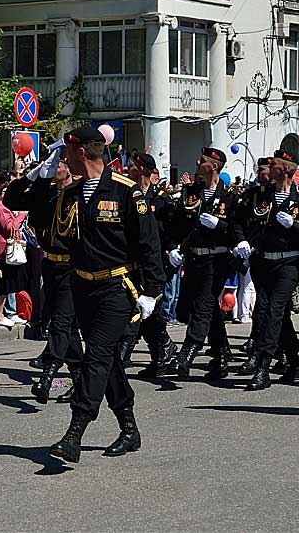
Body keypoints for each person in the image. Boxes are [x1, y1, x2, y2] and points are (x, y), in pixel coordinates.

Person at [23, 126, 164, 464]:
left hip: (117, 287)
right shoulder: (70, 194)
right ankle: (129, 428)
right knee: (109, 359)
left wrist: (152, 292)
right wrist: (40, 177)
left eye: (66, 153)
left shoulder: (125, 192)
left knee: (97, 356)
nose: (62, 158)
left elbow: (149, 245)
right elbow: (28, 209)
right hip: (83, 286)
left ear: (81, 153)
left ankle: (75, 431)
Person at [4, 145, 85, 404]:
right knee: (69, 329)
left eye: (57, 165)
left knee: (60, 323)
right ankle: (80, 381)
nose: (52, 169)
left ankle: (46, 378)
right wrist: (34, 175)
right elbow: (11, 199)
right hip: (50, 265)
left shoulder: (81, 193)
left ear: (68, 168)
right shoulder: (46, 193)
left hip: (73, 268)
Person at [233, 150, 299, 390]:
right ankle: (294, 362)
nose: (269, 167)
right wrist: (241, 241)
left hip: (289, 263)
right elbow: (237, 221)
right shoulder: (257, 195)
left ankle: (263, 367)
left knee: (274, 311)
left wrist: (296, 227)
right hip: (262, 261)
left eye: (274, 165)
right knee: (273, 312)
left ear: (287, 170)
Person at [165, 147, 242, 381]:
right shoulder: (191, 192)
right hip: (195, 257)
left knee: (204, 305)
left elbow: (236, 231)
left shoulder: (230, 197)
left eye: (203, 161)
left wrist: (218, 226)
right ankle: (220, 354)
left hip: (217, 259)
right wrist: (173, 247)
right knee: (193, 307)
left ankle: (187, 353)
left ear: (214, 167)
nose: (198, 162)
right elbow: (176, 225)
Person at [124, 152, 178, 378]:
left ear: (144, 170)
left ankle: (124, 355)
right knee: (145, 313)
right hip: (133, 263)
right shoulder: (126, 194)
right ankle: (163, 353)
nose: (127, 168)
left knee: (142, 312)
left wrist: (173, 248)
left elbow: (166, 231)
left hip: (155, 264)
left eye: (132, 165)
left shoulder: (160, 199)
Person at [0, 172, 27, 328]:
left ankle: (5, 312)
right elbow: (9, 228)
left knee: (7, 284)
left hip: (5, 248)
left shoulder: (2, 207)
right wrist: (21, 215)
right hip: (2, 250)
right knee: (3, 285)